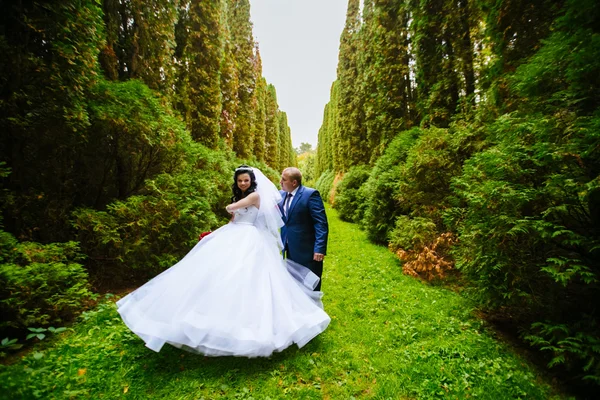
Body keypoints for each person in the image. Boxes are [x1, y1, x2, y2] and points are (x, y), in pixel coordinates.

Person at [116, 166, 330, 357]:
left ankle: (267, 324)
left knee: (251, 279)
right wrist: (216, 233)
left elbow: (233, 208)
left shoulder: (256, 196)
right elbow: (234, 218)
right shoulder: (278, 195)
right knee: (221, 277)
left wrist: (233, 205)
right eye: (240, 181)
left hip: (251, 240)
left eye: (246, 180)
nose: (243, 183)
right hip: (235, 235)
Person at [279, 167, 329, 291]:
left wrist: (319, 249)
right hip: (289, 247)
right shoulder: (281, 195)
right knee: (294, 284)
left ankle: (313, 309)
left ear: (294, 182)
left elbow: (321, 223)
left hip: (308, 251)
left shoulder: (310, 195)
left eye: (283, 180)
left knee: (310, 285)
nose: (280, 182)